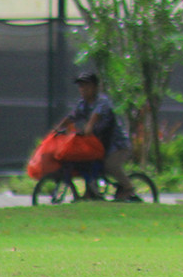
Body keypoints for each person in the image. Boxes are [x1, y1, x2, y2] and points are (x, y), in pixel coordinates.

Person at [56, 71, 138, 201]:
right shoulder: (82, 104)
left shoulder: (102, 102)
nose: (83, 89)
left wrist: (88, 128)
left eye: (86, 86)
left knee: (110, 165)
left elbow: (95, 116)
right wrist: (57, 130)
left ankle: (128, 188)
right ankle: (91, 192)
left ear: (95, 87)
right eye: (81, 86)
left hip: (117, 145)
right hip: (99, 145)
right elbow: (71, 117)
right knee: (85, 163)